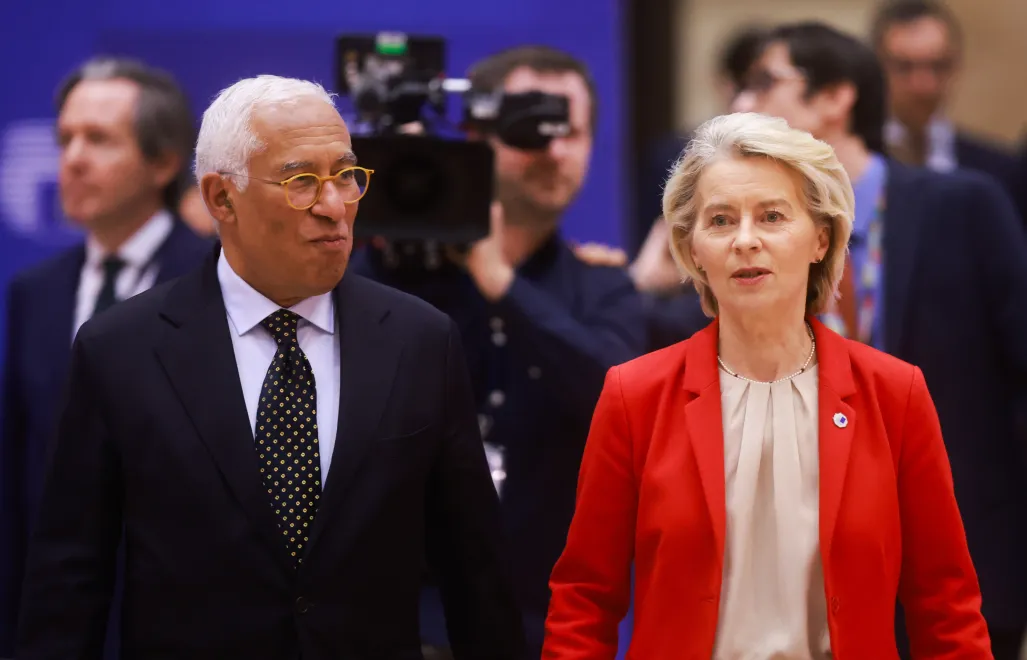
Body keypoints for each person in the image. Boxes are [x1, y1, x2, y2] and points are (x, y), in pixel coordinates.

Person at [15, 74, 524, 660]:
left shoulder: (420, 341)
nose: (334, 206)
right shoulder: (121, 350)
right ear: (221, 199)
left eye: (347, 176)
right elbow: (69, 584)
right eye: (302, 181)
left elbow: (476, 576)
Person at [543, 111, 990, 658]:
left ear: (821, 239)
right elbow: (584, 598)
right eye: (721, 220)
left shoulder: (894, 394)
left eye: (772, 216)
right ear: (694, 249)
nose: (745, 240)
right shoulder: (634, 395)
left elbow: (945, 604)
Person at [730, 22, 1027, 657]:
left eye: (763, 83)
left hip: (960, 562)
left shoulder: (965, 205)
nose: (742, 104)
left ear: (835, 99)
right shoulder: (759, 240)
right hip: (804, 576)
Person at [349, 45, 646, 657]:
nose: (554, 150)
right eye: (530, 129)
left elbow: (620, 404)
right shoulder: (386, 273)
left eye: (572, 131)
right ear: (474, 134)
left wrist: (501, 285)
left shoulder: (601, 286)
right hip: (396, 622)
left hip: (543, 625)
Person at [0, 56, 209, 659]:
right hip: (58, 628)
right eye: (65, 138)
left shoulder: (216, 281)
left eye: (98, 140)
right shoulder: (35, 292)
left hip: (185, 626)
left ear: (164, 162)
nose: (72, 159)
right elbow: (20, 477)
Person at [870, 0, 1023, 221]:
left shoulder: (1000, 172)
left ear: (956, 66)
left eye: (938, 66)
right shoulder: (852, 167)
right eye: (904, 67)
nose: (923, 84)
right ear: (875, 68)